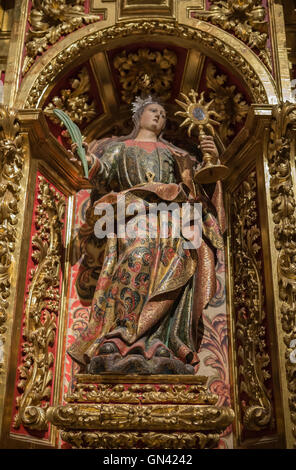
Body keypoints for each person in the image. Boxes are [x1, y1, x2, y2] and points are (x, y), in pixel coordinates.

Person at [67, 96, 225, 375]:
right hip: (134, 216)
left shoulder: (175, 154)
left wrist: (209, 161)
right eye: (153, 111)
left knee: (170, 273)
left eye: (163, 114)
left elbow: (194, 188)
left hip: (170, 222)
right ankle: (122, 335)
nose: (159, 117)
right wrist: (88, 158)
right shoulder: (121, 148)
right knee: (135, 263)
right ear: (137, 116)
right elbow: (102, 173)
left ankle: (159, 341)